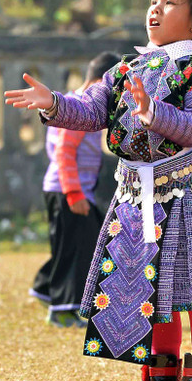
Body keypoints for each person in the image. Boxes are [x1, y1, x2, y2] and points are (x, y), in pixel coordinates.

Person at [5, 0, 192, 381]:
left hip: (185, 199)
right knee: (151, 295)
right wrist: (53, 103)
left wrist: (152, 111)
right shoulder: (127, 68)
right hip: (138, 202)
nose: (155, 8)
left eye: (170, 1)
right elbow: (90, 110)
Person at [30, 52, 121, 328]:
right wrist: (74, 194)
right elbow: (65, 153)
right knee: (76, 249)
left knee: (74, 244)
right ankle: (63, 308)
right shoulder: (80, 107)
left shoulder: (72, 102)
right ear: (99, 81)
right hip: (68, 190)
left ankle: (46, 288)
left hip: (69, 189)